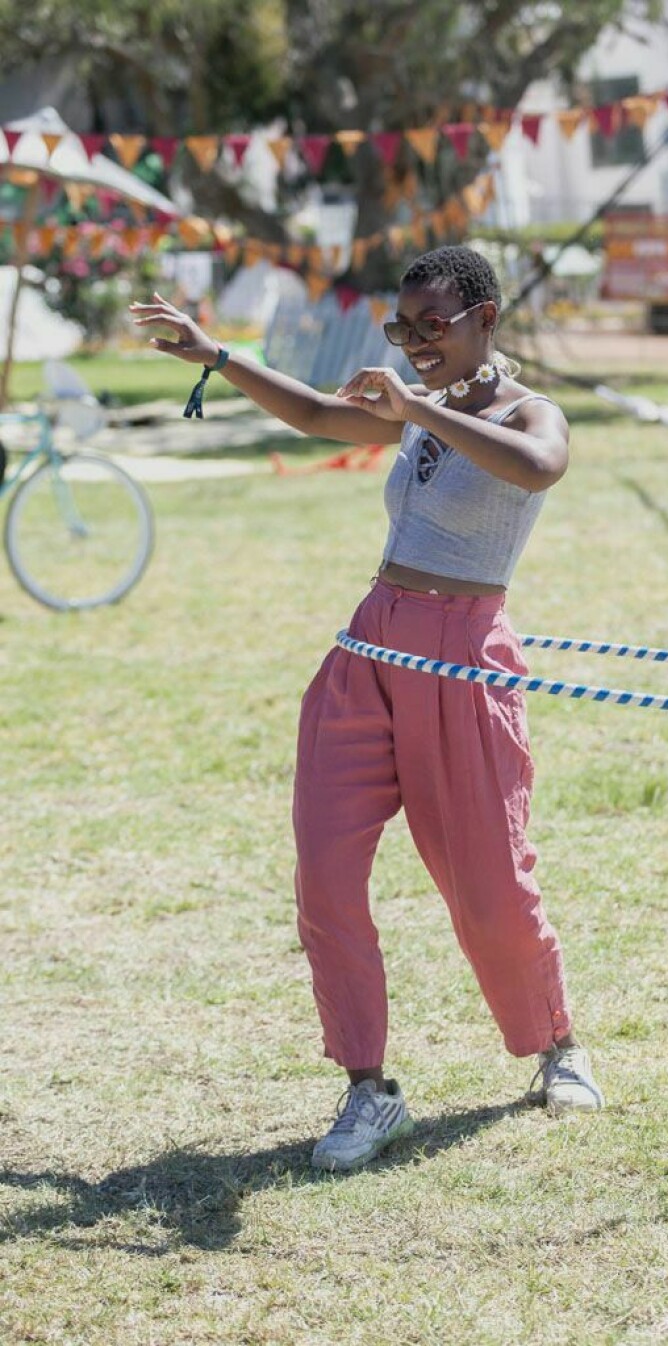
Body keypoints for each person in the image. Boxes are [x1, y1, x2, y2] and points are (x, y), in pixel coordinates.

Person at [130, 245, 603, 1174]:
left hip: (462, 652)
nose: (418, 341)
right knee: (326, 873)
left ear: (485, 320)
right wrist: (213, 354)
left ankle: (557, 1046)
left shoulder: (523, 412)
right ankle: (366, 1085)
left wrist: (415, 403)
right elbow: (313, 412)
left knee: (487, 882)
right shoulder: (418, 406)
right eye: (404, 326)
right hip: (369, 644)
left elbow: (541, 467)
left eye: (437, 324)